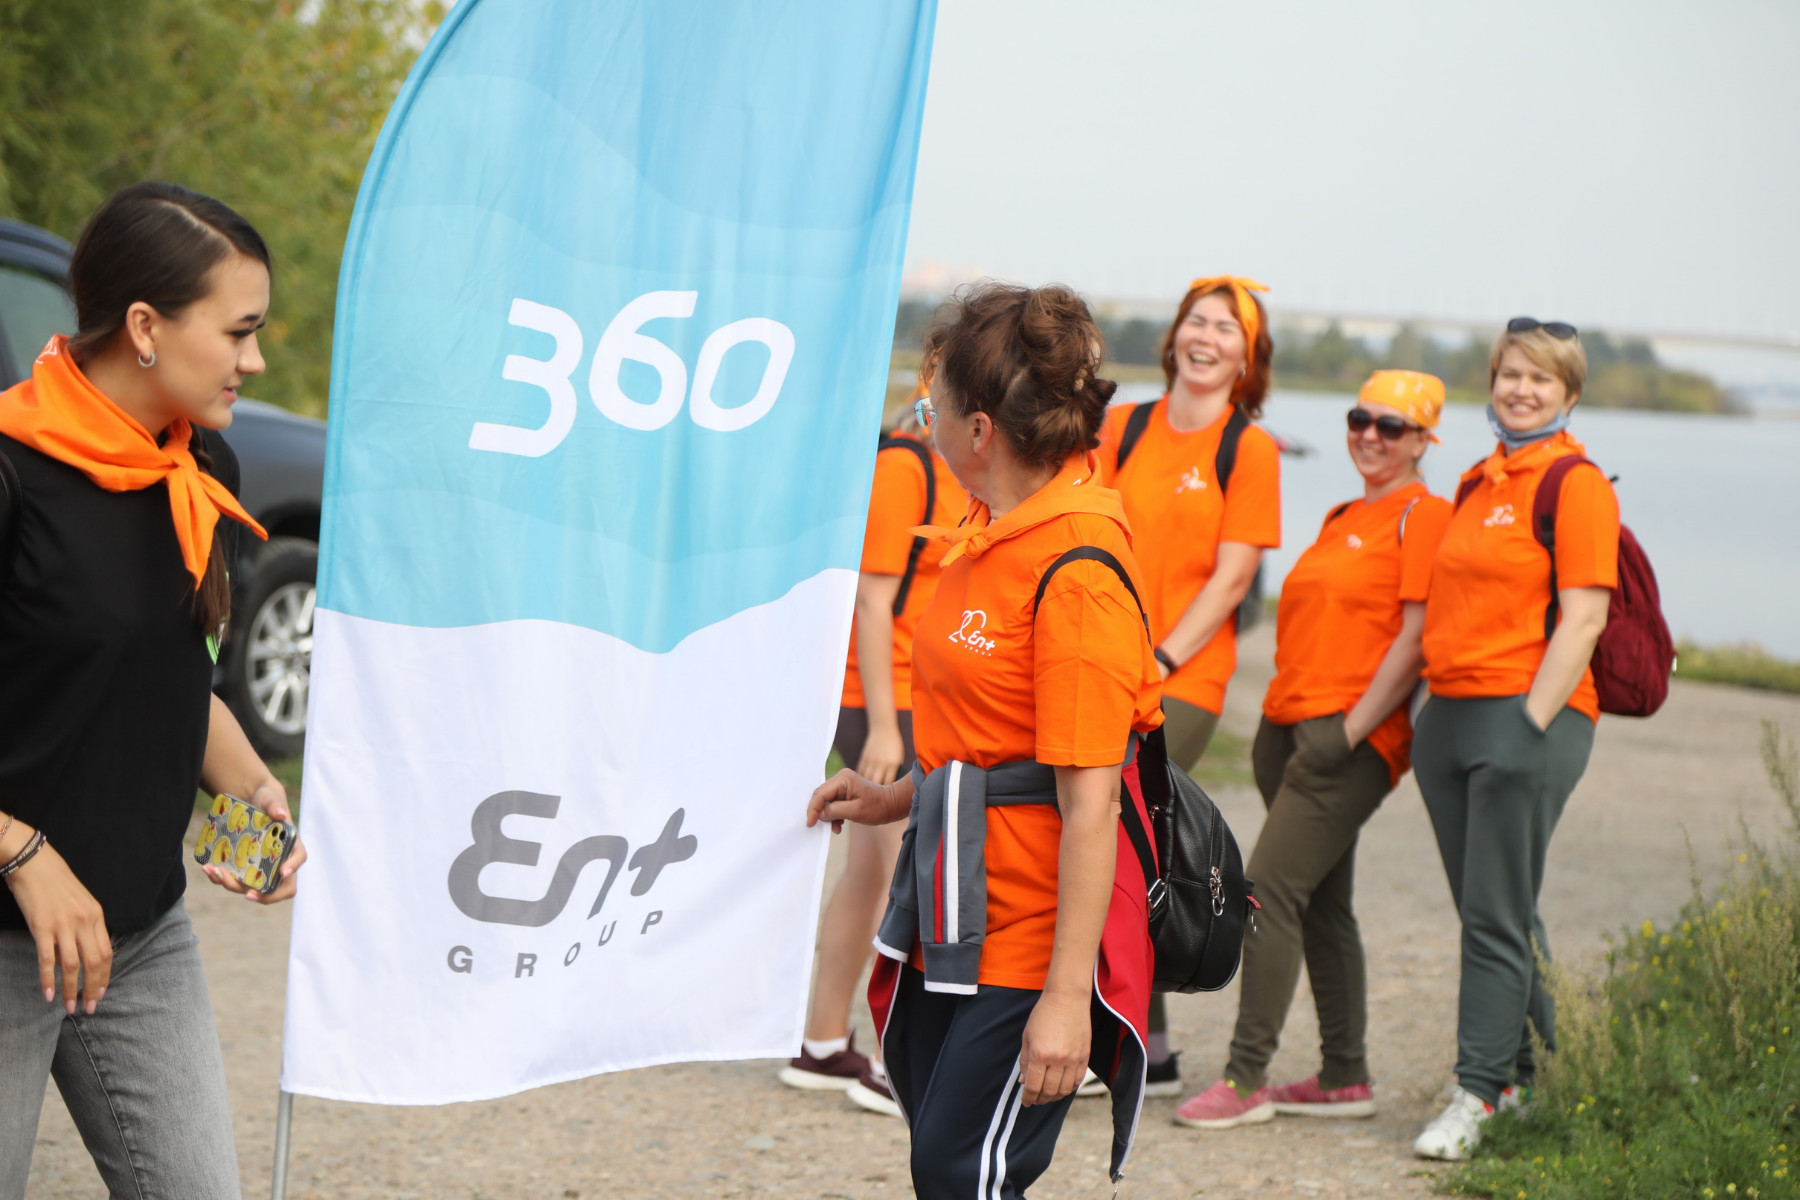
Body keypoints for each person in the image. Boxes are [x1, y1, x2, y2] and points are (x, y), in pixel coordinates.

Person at [807, 282, 1162, 1197]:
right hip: (953, 911)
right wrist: (892, 796)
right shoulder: (986, 530)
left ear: (979, 430)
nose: (923, 420)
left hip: (1027, 937)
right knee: (941, 1157)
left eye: (933, 406)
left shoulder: (1076, 571)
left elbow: (1092, 807)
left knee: (963, 1172)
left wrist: (1065, 1000)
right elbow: (987, 735)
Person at [0, 181, 305, 1200]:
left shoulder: (201, 465)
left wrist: (249, 789)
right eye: (239, 332)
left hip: (142, 933)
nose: (255, 362)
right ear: (144, 327)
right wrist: (26, 855)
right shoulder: (10, 473)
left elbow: (175, 677)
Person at [1172, 371, 1453, 1128]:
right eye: (1361, 419)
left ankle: (1244, 1079)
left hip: (1347, 741)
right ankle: (1344, 1075)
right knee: (1322, 902)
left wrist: (1349, 733)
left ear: (1423, 441)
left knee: (1264, 890)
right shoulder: (1341, 515)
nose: (1370, 436)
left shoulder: (1423, 515)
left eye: (1391, 427)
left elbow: (1416, 640)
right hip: (1288, 729)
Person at [1410, 318, 1618, 1161]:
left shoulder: (1576, 484)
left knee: (1493, 918)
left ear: (1569, 393)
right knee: (1496, 909)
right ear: (1492, 382)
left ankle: (1478, 1092)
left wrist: (1527, 725)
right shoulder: (1478, 478)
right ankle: (1539, 1076)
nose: (1522, 390)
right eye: (1510, 375)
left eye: (1542, 379)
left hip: (1526, 716)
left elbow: (1585, 619)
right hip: (1450, 718)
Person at [1096, 275, 1282, 1094]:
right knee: (1120, 847)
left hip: (1182, 679)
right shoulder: (1123, 426)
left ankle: (1127, 1036)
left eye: (1227, 329)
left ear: (1248, 359)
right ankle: (1150, 1048)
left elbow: (1233, 576)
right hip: (1104, 664)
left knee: (1126, 834)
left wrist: (1163, 658)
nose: (1207, 337)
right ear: (1174, 336)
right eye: (1197, 321)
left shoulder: (1249, 448)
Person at [780, 386, 965, 1117]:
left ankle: (823, 1044)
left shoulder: (962, 468)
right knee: (904, 876)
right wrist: (886, 728)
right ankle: (895, 1063)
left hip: (918, 695)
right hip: (879, 698)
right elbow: (871, 600)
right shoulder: (905, 466)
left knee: (869, 871)